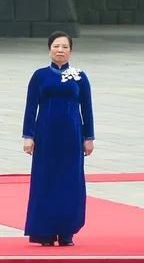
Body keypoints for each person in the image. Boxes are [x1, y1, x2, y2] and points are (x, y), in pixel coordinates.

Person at [21, 31, 96, 247]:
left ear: (71, 51)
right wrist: (28, 136)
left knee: (69, 182)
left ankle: (66, 231)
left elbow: (87, 108)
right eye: (56, 46)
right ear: (49, 49)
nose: (60, 50)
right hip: (45, 136)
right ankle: (44, 231)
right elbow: (30, 107)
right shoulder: (39, 76)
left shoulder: (80, 77)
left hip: (72, 137)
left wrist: (88, 137)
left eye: (64, 46)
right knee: (45, 180)